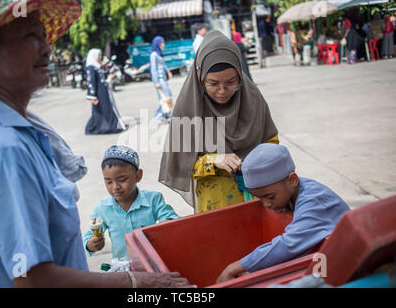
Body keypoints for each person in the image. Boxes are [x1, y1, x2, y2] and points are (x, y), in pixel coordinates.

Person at [0, 0, 191, 288]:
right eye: (30, 37)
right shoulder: (3, 148)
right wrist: (135, 282)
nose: (47, 49)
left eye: (43, 36)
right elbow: (31, 279)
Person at [159, 30, 279, 213]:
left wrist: (255, 160)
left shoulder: (253, 100)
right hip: (215, 206)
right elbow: (177, 166)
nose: (222, 91)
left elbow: (272, 145)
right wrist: (212, 160)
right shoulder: (187, 111)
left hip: (257, 200)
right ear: (200, 78)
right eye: (213, 84)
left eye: (232, 82)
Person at [216, 144, 350, 283]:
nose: (266, 204)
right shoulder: (293, 192)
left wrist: (233, 268)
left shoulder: (314, 201)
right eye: (259, 198)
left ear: (292, 180)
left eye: (270, 197)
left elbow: (287, 245)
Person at [83, 145, 179, 260]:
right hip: (123, 267)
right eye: (109, 182)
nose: (115, 187)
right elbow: (87, 237)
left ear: (138, 176)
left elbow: (173, 219)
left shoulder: (153, 199)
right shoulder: (102, 209)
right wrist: (91, 244)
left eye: (122, 180)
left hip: (152, 261)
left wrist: (166, 225)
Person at [85, 48, 127, 134]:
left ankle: (113, 125)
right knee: (101, 110)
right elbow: (91, 82)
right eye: (99, 55)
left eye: (100, 55)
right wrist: (91, 96)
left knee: (107, 109)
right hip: (98, 93)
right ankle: (103, 127)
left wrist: (105, 68)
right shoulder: (91, 67)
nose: (100, 57)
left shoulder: (97, 66)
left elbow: (103, 78)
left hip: (103, 91)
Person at [150, 36, 173, 122]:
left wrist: (168, 72)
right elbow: (153, 69)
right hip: (159, 79)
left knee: (165, 96)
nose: (163, 44)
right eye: (162, 43)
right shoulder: (154, 55)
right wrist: (156, 82)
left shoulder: (159, 53)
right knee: (166, 95)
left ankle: (165, 114)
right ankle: (163, 114)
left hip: (164, 78)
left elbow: (163, 65)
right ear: (157, 44)